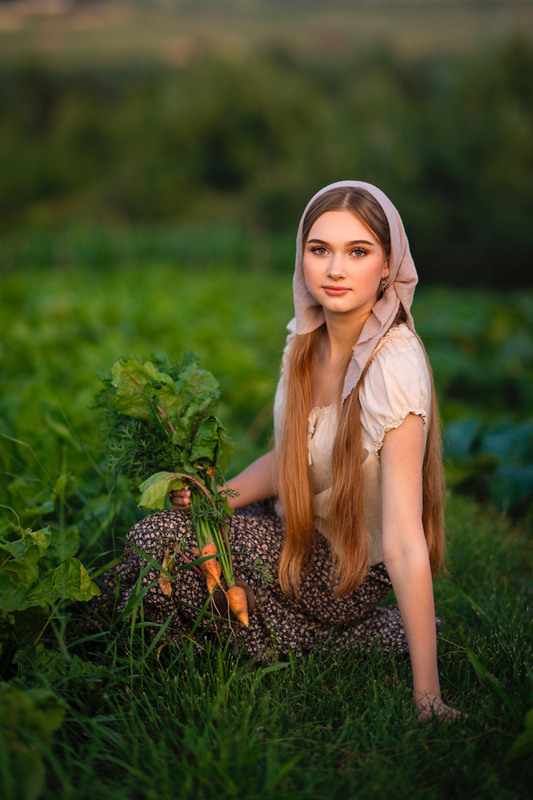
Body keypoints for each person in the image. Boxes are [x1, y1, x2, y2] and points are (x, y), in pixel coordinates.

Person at [103, 180, 458, 721]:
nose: (335, 269)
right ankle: (89, 630)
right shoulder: (303, 340)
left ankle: (353, 633)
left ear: (388, 265)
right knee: (156, 551)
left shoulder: (395, 368)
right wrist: (212, 498)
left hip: (348, 568)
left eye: (357, 252)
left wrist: (428, 698)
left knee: (161, 551)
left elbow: (406, 542)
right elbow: (293, 460)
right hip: (290, 533)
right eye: (320, 250)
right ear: (303, 257)